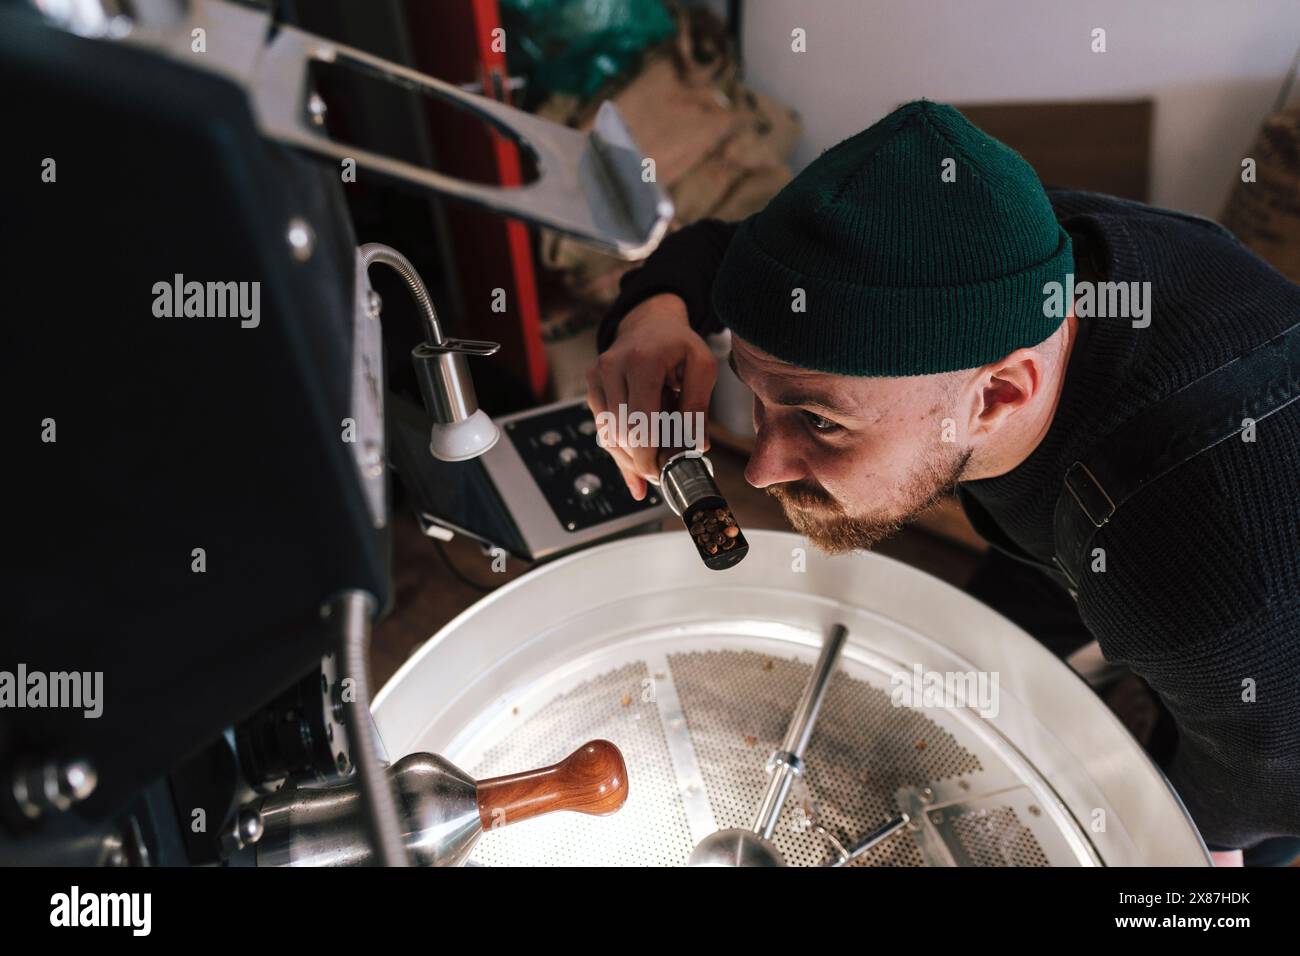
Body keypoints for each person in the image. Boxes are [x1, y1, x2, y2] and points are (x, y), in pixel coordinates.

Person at [586, 100, 1300, 866]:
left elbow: (1236, 811)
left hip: (1256, 685)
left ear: (998, 396)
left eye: (819, 421)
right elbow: (731, 250)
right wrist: (652, 314)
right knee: (956, 676)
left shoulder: (1218, 584)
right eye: (756, 397)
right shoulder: (991, 241)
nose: (761, 469)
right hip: (1076, 521)